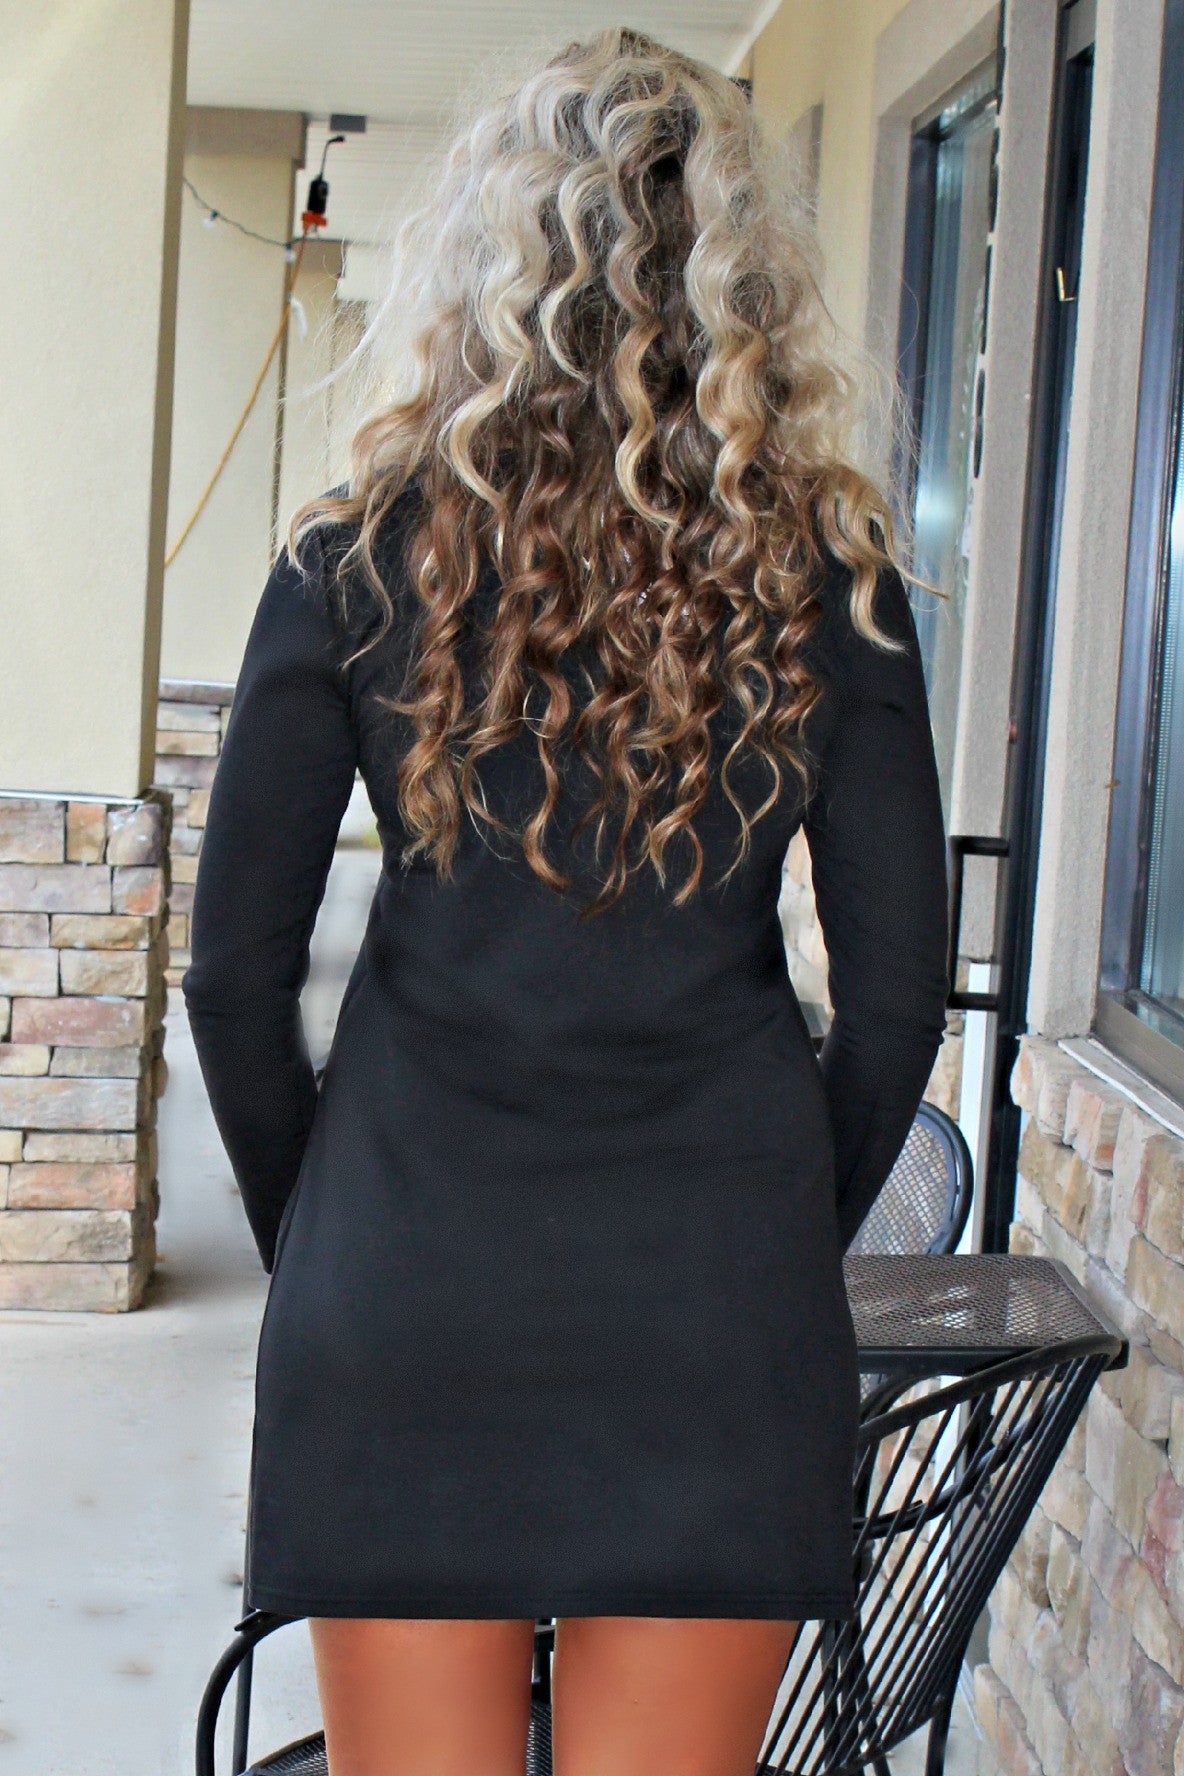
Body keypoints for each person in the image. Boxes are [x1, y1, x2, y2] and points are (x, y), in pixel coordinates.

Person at [183, 26, 950, 1776]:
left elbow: (232, 982)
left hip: (408, 1289)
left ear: (483, 259)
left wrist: (334, 1234)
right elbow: (900, 1005)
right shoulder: (830, 584)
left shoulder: (354, 560)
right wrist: (769, 1236)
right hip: (711, 1306)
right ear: (744, 280)